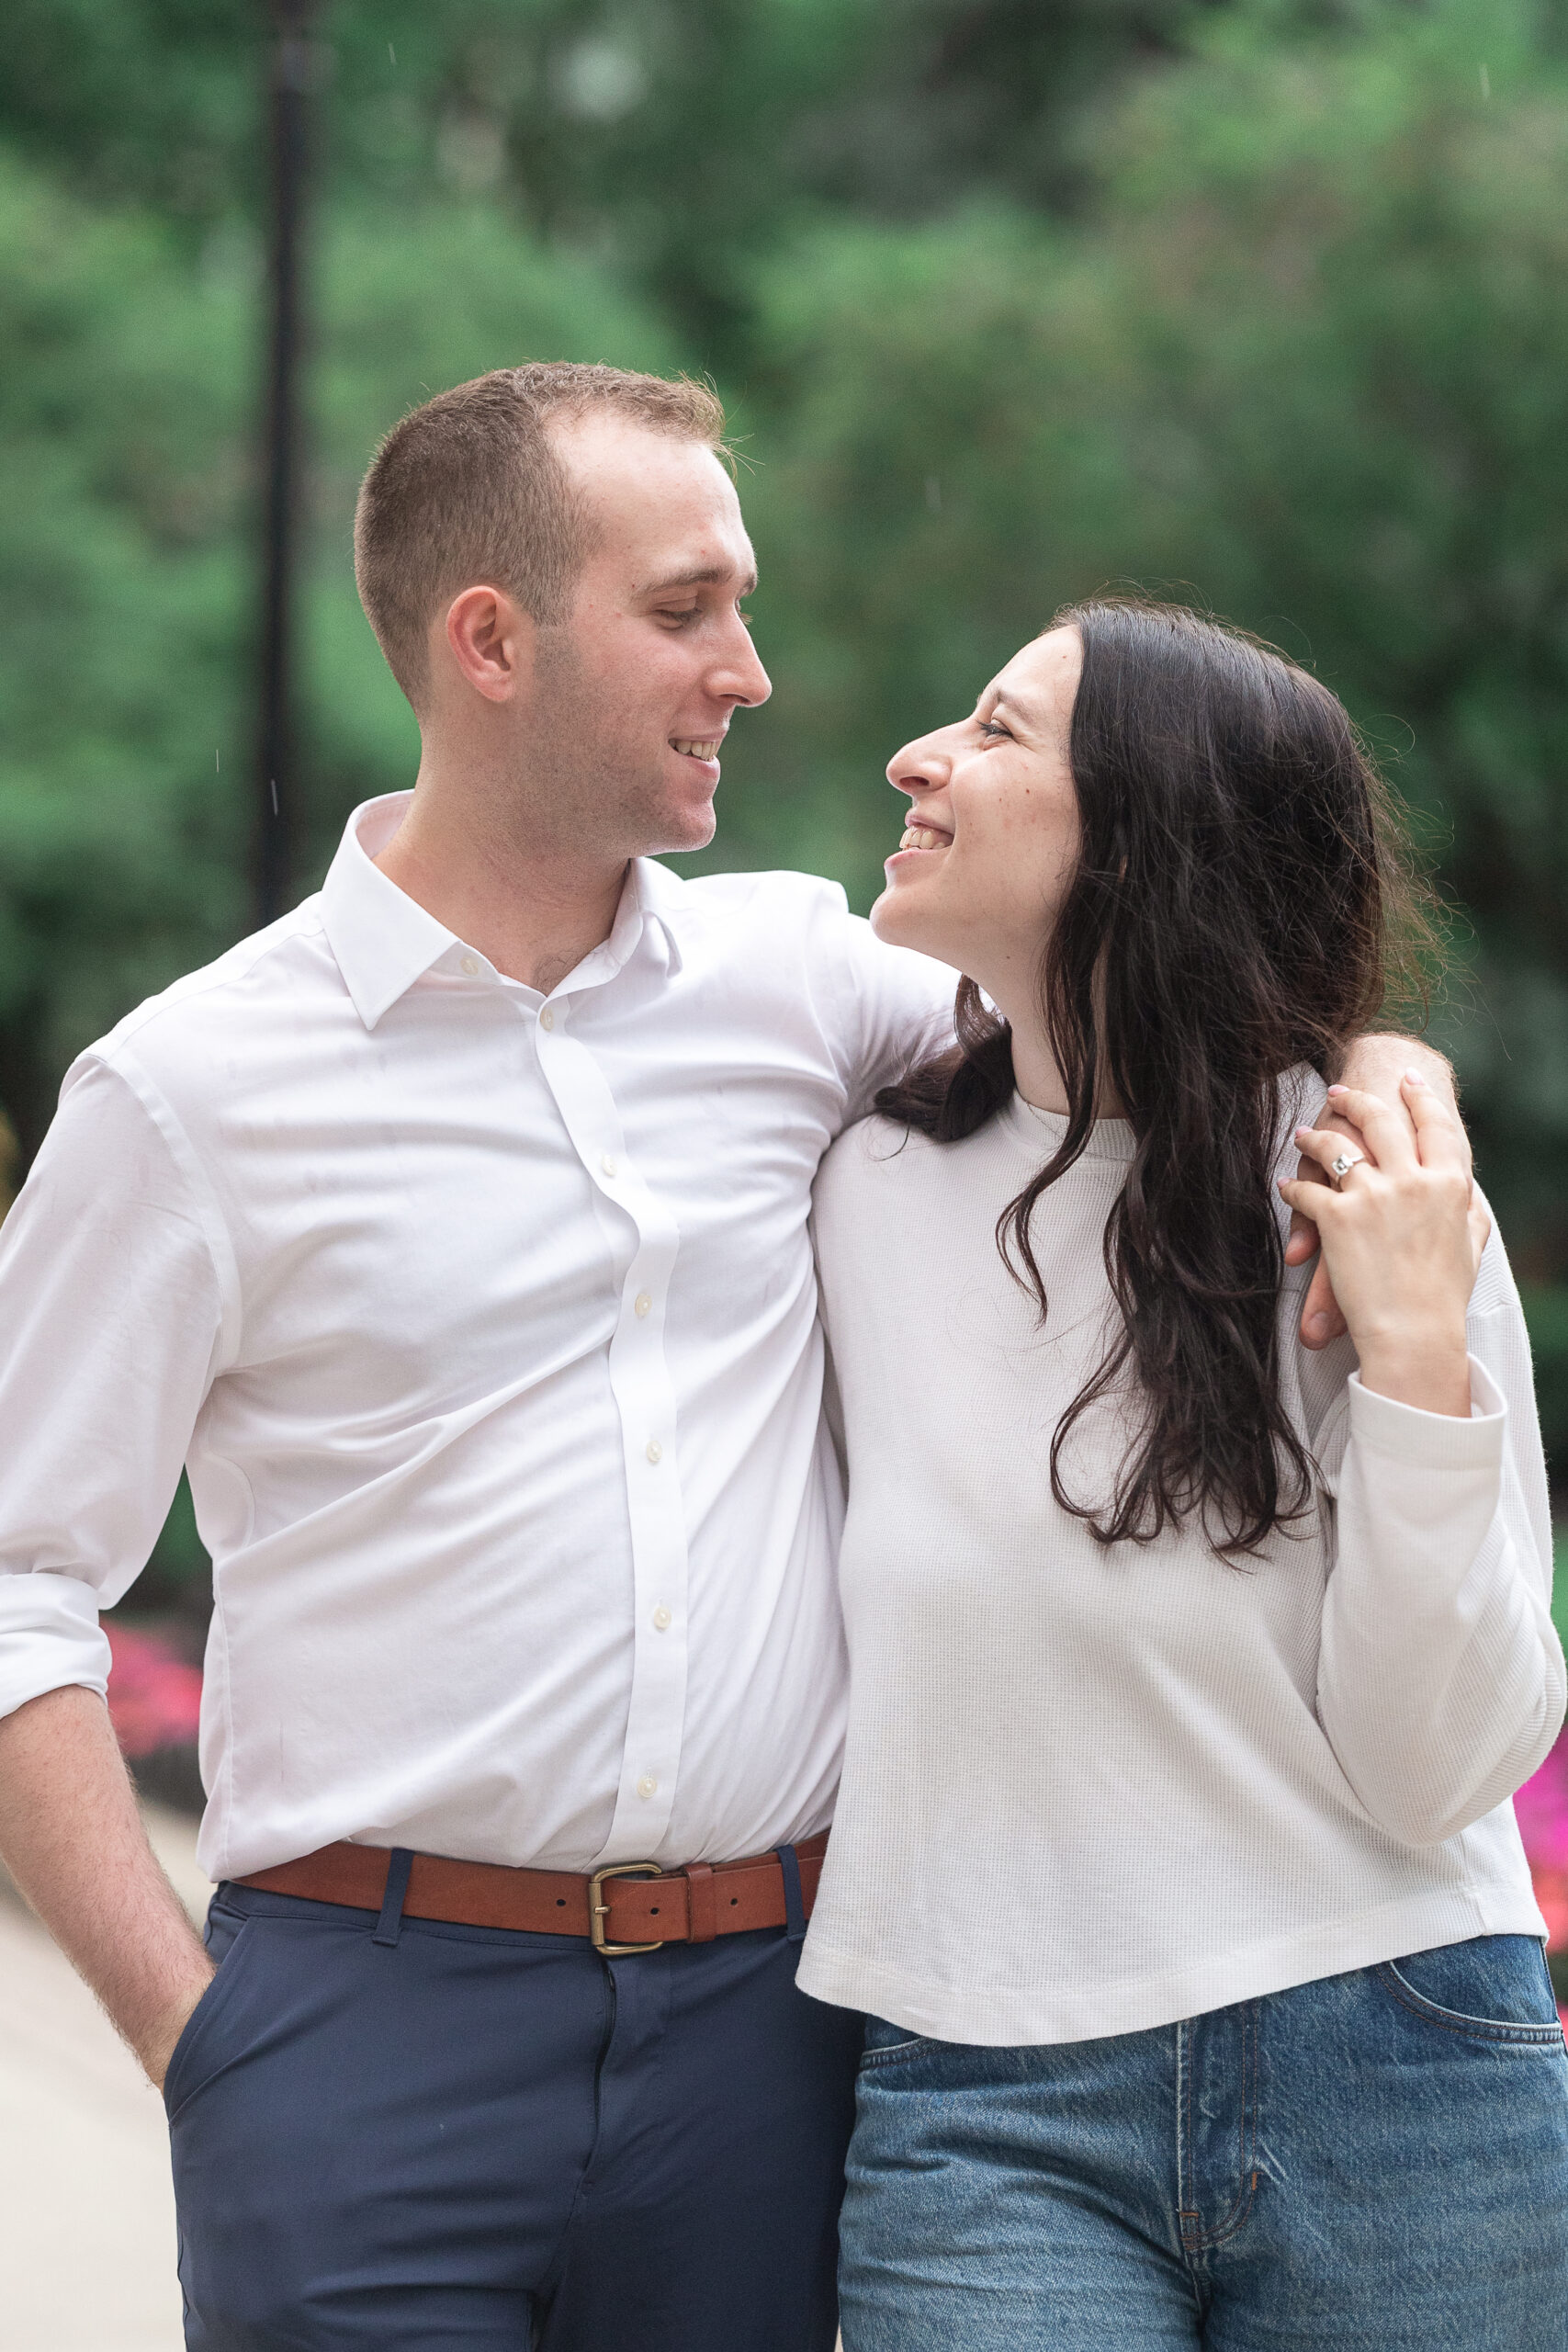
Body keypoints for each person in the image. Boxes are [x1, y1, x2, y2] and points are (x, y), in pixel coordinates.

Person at [0, 372, 1449, 2350]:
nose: (747, 672)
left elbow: (1163, 1004)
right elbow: (19, 1580)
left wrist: (1379, 1071)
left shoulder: (806, 983)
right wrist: (198, 2037)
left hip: (764, 2042)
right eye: (684, 610)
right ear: (489, 641)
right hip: (359, 2022)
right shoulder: (187, 1092)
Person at [801, 599, 1568, 2350]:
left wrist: (1418, 1357)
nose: (920, 758)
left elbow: (1440, 1764)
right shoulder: (859, 1182)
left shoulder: (1377, 1194)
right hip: (985, 2092)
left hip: (1402, 2054)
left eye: (998, 732)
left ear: (1146, 837)